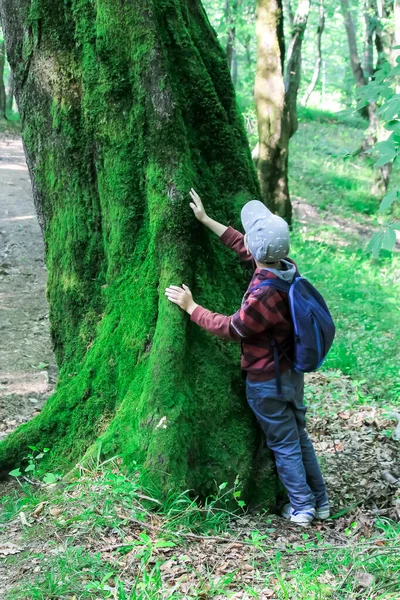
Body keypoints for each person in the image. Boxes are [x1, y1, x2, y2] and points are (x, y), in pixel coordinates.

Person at [165, 189, 329, 526]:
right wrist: (207, 220)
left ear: (258, 251)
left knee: (283, 443)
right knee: (299, 438)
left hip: (267, 382)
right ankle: (321, 501)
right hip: (290, 375)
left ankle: (302, 507)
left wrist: (191, 307)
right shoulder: (285, 270)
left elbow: (233, 327)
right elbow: (245, 245)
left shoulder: (263, 296)